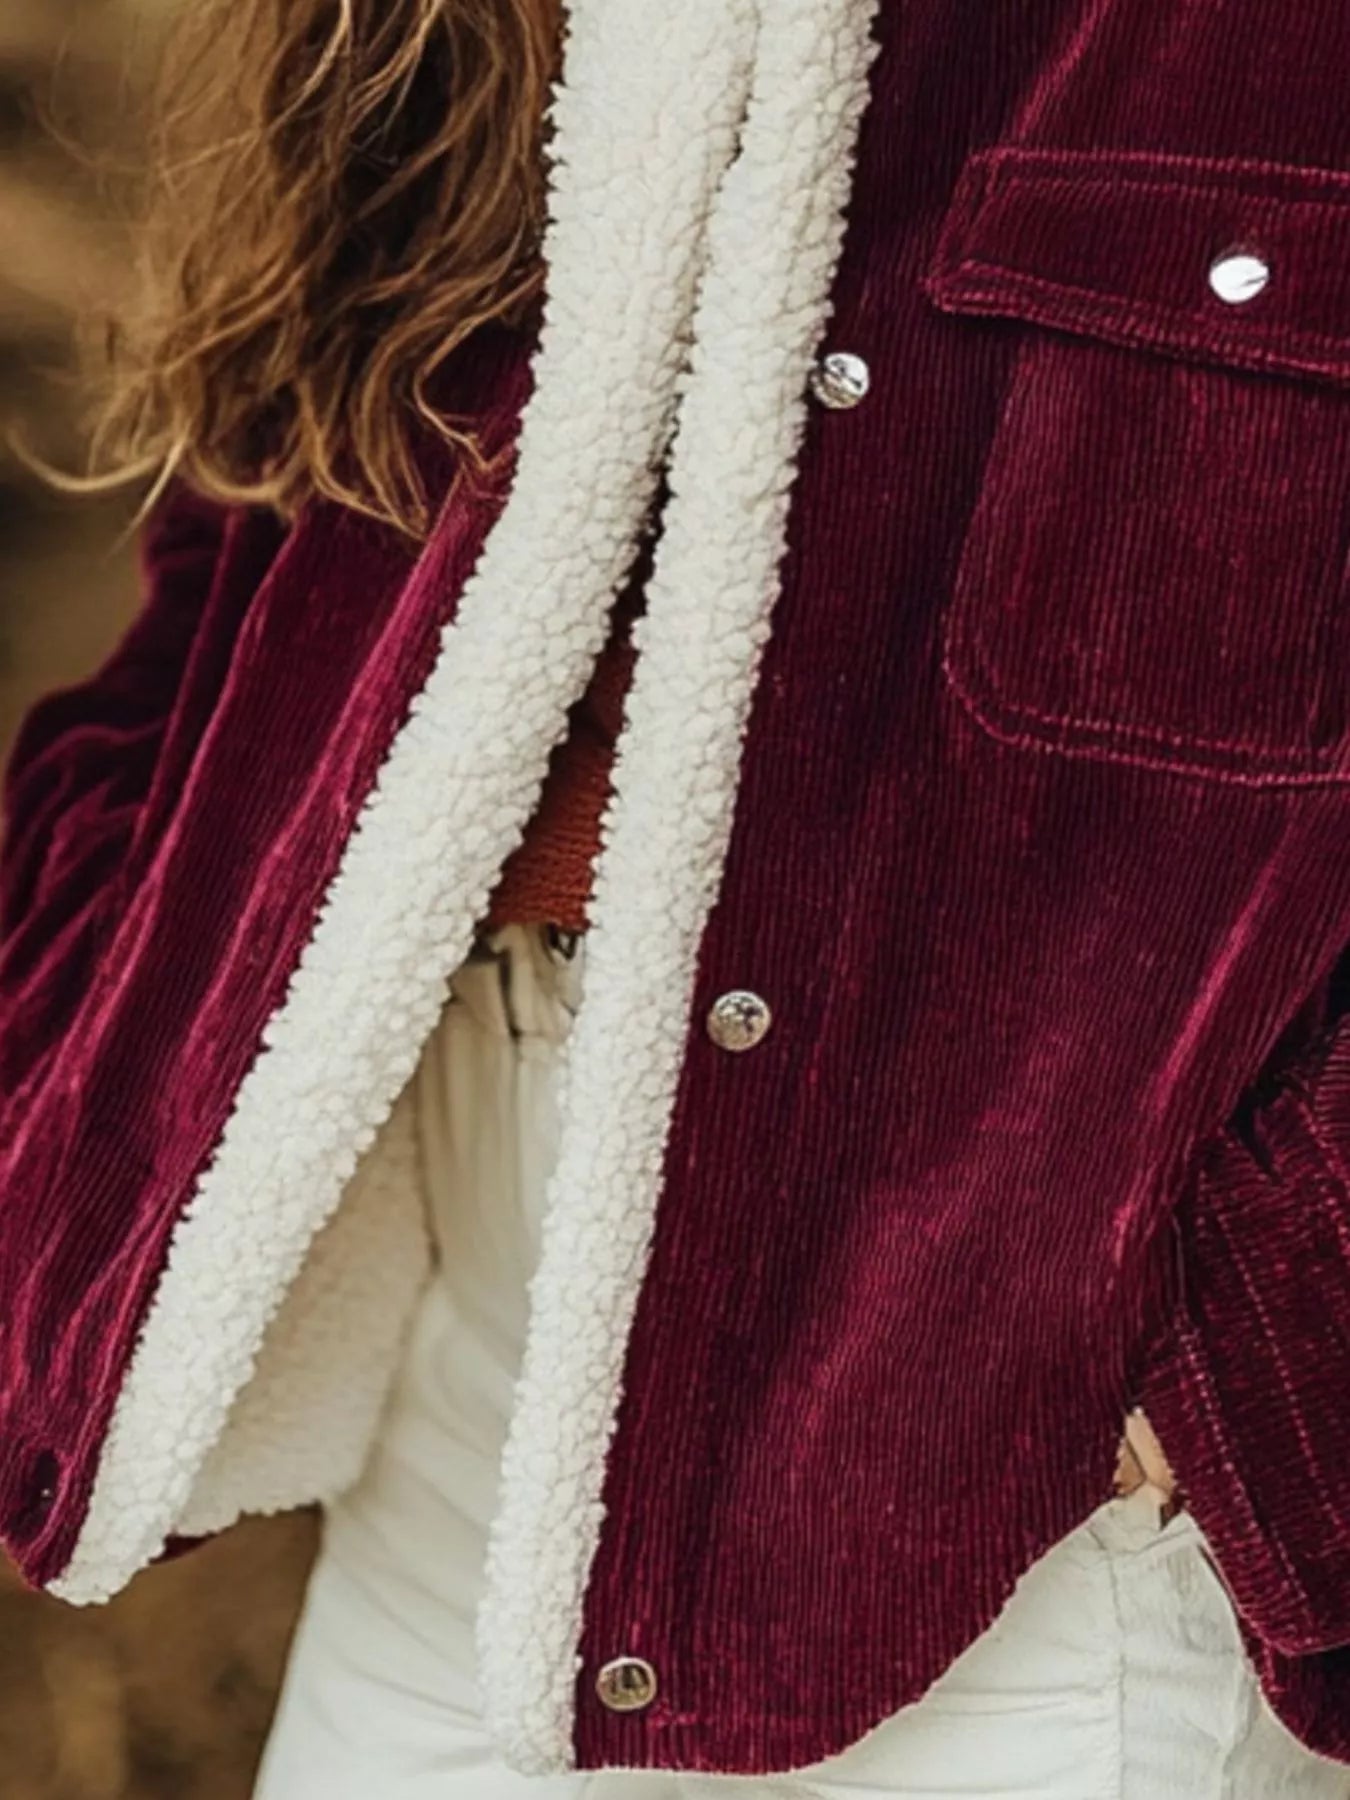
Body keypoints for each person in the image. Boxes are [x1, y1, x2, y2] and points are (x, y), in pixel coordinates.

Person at [3, 0, 1350, 1793]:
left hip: (1034, 1495)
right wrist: (78, 1058)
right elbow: (244, 568)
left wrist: (1254, 1322)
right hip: (457, 1435)